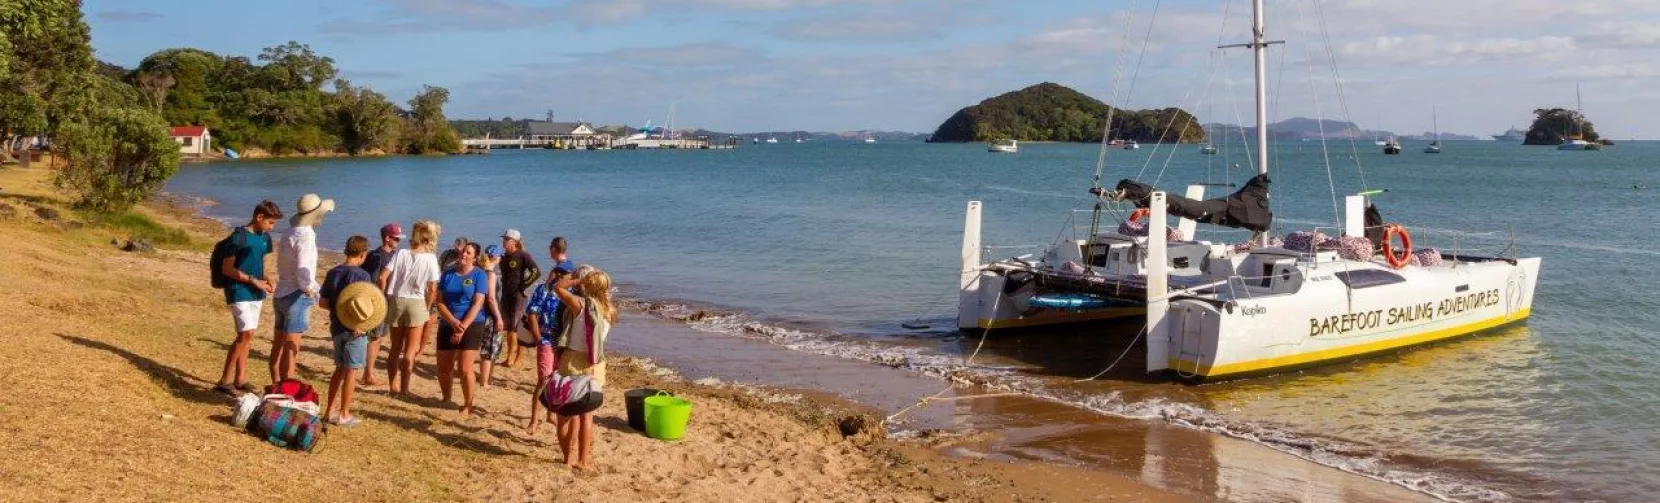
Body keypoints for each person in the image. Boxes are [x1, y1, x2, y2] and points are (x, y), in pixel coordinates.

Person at [548, 266, 616, 471]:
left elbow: (557, 287)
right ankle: (584, 460)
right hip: (595, 363)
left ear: (587, 286)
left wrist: (577, 280)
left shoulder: (580, 305)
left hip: (573, 360)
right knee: (587, 416)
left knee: (565, 413)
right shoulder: (609, 310)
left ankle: (567, 458)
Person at [214, 201, 282, 395]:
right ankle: (225, 380)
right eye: (270, 222)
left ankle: (240, 378)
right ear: (259, 217)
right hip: (239, 290)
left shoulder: (264, 238)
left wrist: (268, 277)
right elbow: (227, 268)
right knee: (245, 334)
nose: (272, 227)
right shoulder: (238, 238)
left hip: (256, 291)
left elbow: (262, 261)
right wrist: (253, 280)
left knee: (249, 335)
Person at [319, 236, 384, 426]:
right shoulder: (362, 276)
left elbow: (323, 303)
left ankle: (329, 411)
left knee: (339, 370)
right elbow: (367, 304)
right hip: (356, 330)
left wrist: (339, 310)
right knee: (351, 372)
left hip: (337, 327)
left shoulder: (333, 272)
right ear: (363, 254)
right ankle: (344, 413)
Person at [272, 193, 334, 384]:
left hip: (282, 292)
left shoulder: (289, 232)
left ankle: (276, 386)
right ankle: (285, 389)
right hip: (295, 296)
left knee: (279, 345)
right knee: (291, 348)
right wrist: (311, 290)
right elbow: (303, 271)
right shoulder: (306, 236)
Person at [380, 219, 442, 395]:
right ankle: (405, 389)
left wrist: (383, 296)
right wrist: (428, 306)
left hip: (397, 300)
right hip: (416, 302)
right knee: (410, 351)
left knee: (394, 348)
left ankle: (393, 386)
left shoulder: (401, 254)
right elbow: (432, 288)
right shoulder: (430, 259)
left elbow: (382, 276)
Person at [436, 242, 489, 416]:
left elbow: (478, 303)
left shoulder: (479, 275)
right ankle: (446, 398)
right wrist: (451, 321)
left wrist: (463, 327)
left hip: (472, 324)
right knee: (444, 366)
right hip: (448, 322)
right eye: (463, 251)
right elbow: (440, 302)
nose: (464, 254)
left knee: (465, 368)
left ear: (475, 257)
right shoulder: (448, 274)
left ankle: (468, 404)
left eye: (469, 252)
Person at [357, 223, 401, 387]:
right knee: (374, 337)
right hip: (378, 301)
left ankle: (367, 372)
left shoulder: (393, 254)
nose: (398, 241)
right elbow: (374, 279)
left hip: (386, 300)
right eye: (396, 238)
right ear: (387, 238)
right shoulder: (377, 256)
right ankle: (367, 374)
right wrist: (380, 298)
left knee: (378, 337)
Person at [500, 229, 542, 368]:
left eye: (507, 239)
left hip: (518, 296)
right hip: (506, 295)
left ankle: (511, 358)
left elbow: (536, 272)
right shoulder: (504, 257)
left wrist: (524, 286)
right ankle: (513, 357)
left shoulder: (523, 255)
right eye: (504, 239)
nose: (504, 241)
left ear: (515, 242)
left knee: (514, 327)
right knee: (508, 327)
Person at [475, 245, 506, 389]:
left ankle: (487, 378)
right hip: (491, 315)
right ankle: (484, 381)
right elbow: (492, 298)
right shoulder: (491, 274)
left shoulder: (479, 271)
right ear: (495, 257)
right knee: (489, 349)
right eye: (500, 256)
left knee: (488, 348)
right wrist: (499, 317)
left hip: (482, 313)